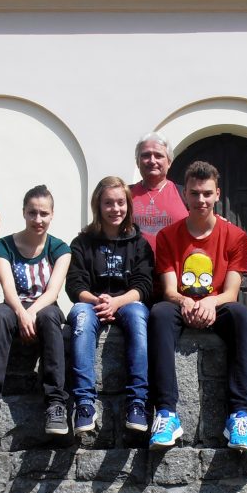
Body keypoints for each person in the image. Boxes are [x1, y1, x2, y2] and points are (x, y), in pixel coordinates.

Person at [148, 160, 247, 451]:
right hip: (180, 303)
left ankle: (238, 415)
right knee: (159, 313)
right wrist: (185, 301)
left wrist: (209, 301)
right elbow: (169, 290)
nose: (201, 200)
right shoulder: (167, 236)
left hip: (217, 303)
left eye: (207, 193)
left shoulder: (236, 236)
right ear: (185, 195)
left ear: (217, 194)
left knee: (241, 315)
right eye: (194, 193)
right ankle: (166, 414)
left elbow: (231, 292)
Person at [0, 185, 71, 439]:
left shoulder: (60, 249)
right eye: (32, 213)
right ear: (24, 212)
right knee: (0, 317)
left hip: (44, 306)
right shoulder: (4, 245)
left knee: (50, 318)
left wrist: (31, 312)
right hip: (13, 305)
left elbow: (52, 292)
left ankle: (55, 404)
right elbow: (8, 288)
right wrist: (22, 314)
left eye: (44, 213)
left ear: (52, 214)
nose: (38, 219)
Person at [66, 176, 154, 435]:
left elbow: (144, 286)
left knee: (138, 317)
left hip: (127, 302)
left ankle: (137, 402)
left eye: (120, 202)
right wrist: (98, 301)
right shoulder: (82, 242)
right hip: (91, 303)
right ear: (98, 205)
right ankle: (84, 403)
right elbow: (75, 285)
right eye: (108, 203)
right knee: (80, 318)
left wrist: (116, 302)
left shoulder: (139, 243)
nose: (115, 209)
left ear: (128, 205)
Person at [130, 132, 188, 249]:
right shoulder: (125, 195)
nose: (152, 161)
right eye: (146, 155)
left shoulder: (186, 195)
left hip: (174, 261)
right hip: (133, 261)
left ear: (169, 162)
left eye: (158, 156)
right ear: (137, 162)